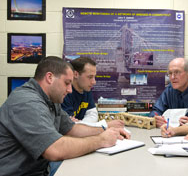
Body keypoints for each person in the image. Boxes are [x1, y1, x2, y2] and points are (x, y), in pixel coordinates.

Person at [0, 56, 130, 176]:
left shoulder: (50, 100)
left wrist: (105, 130)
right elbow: (54, 149)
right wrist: (101, 140)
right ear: (49, 77)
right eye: (67, 83)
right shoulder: (26, 102)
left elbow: (72, 129)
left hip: (40, 168)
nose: (70, 90)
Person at [61, 57, 124, 128]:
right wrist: (104, 126)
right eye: (90, 77)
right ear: (75, 74)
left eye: (94, 77)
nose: (94, 82)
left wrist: (82, 125)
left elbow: (93, 114)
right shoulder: (64, 93)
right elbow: (69, 126)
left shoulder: (86, 89)